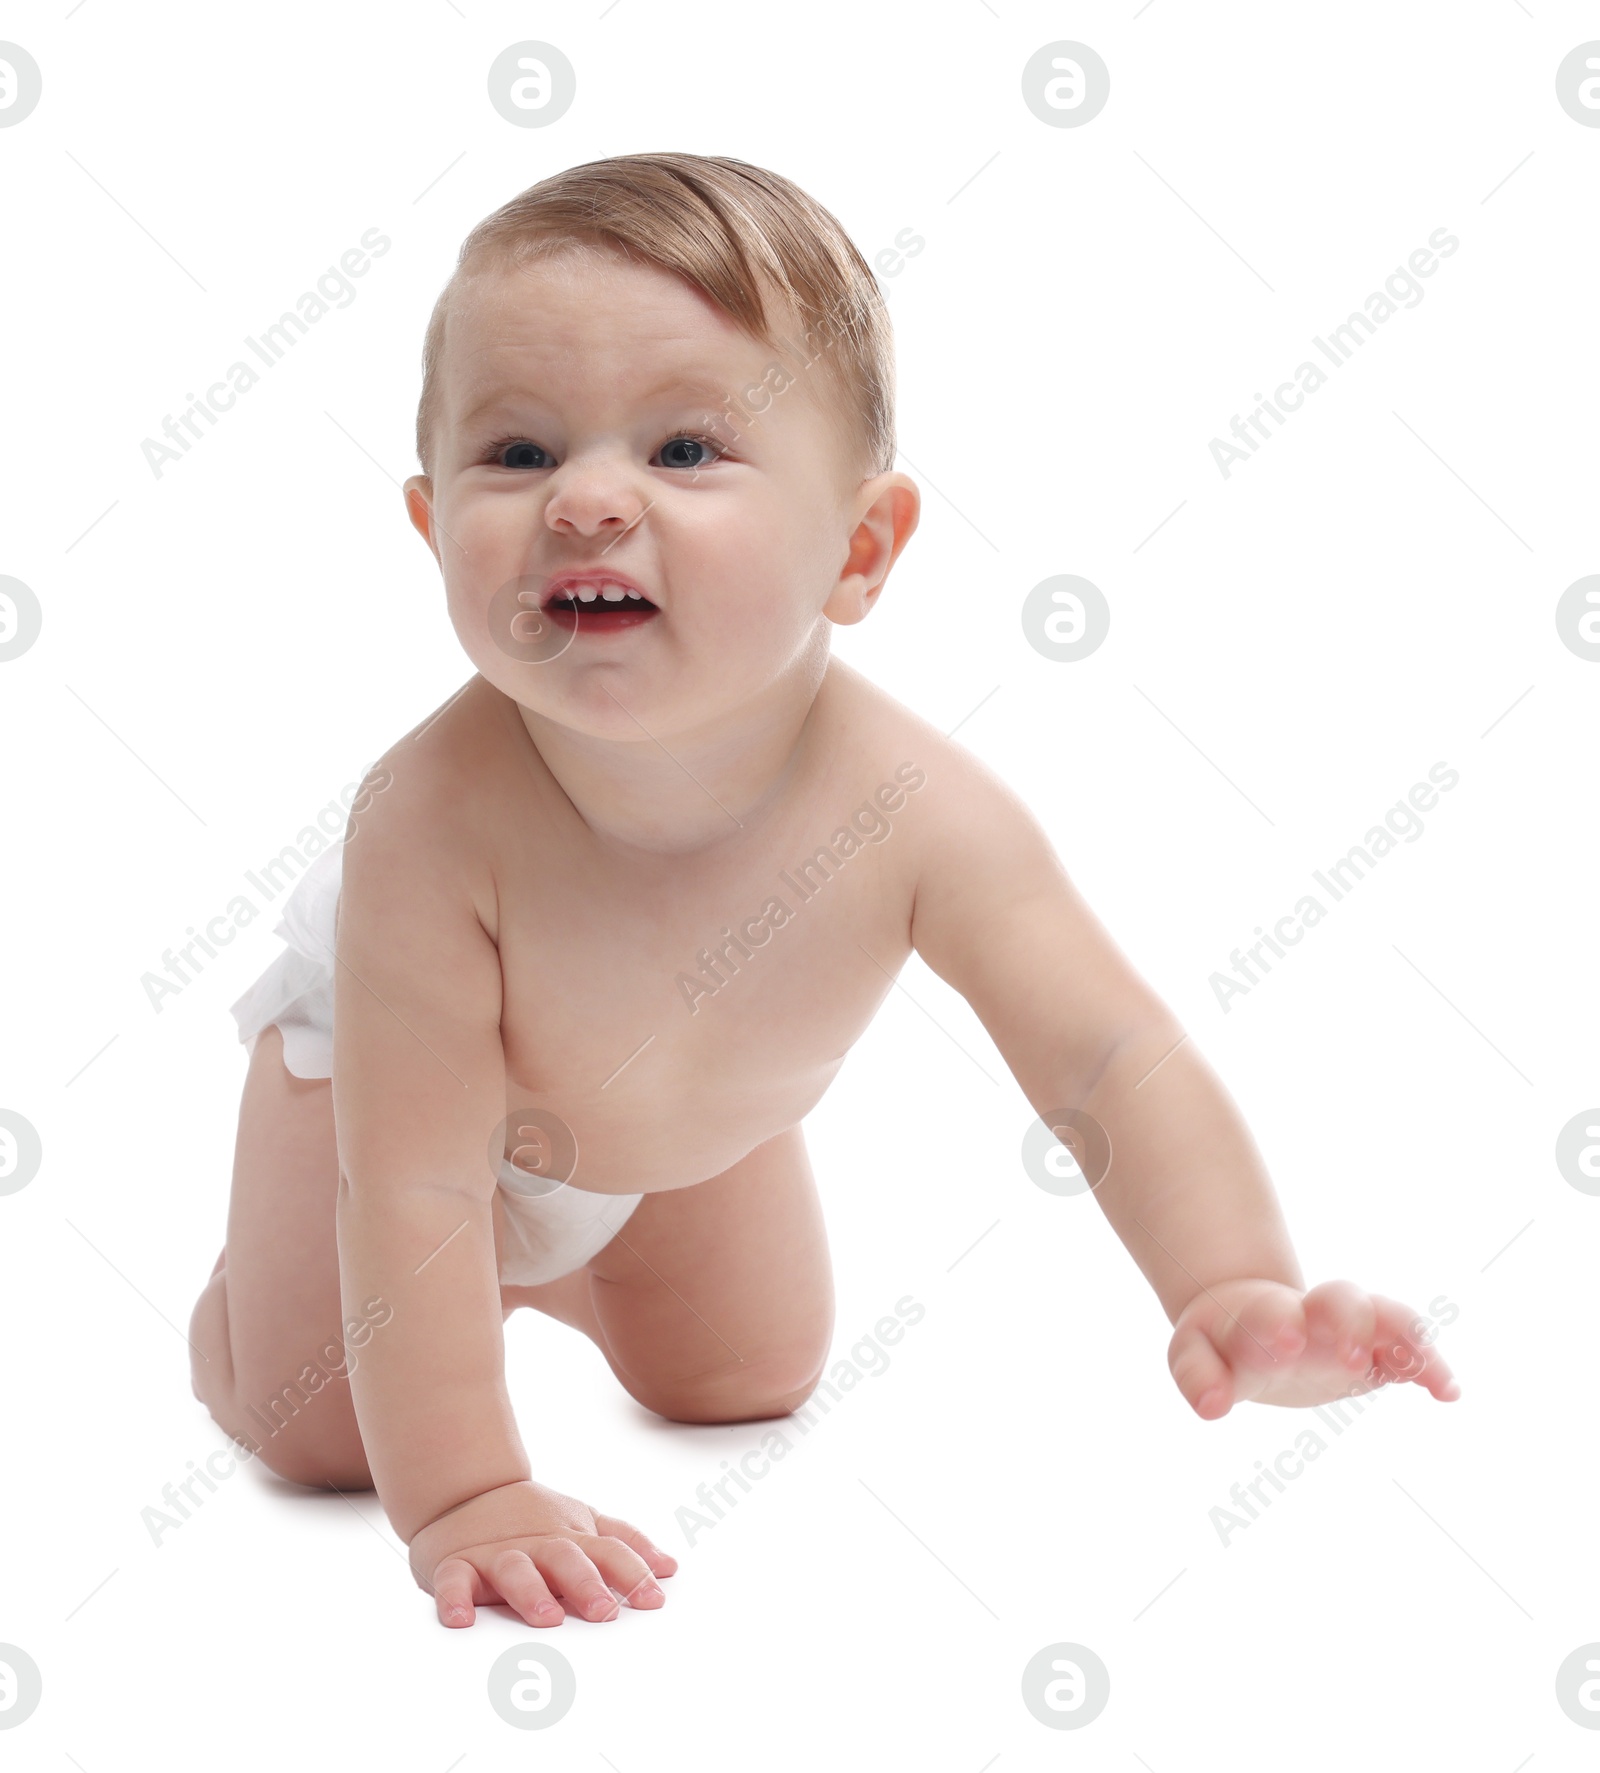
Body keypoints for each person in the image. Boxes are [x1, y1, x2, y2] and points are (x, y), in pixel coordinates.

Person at [188, 152, 1458, 1631]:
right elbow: (406, 1181)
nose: (588, 500)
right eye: (519, 455)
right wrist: (467, 1487)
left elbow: (1110, 1052)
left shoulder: (914, 810)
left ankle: (550, 1284)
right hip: (384, 1119)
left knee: (747, 1376)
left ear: (858, 551)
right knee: (322, 1433)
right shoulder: (428, 822)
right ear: (429, 531)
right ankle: (255, 1314)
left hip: (672, 1140)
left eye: (684, 450)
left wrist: (1232, 1282)